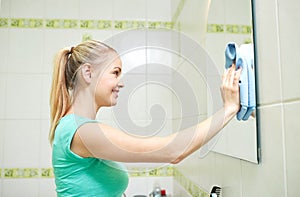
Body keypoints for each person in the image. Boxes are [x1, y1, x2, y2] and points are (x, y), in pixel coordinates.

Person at [49, 40, 242, 197]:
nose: (121, 82)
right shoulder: (82, 131)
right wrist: (228, 109)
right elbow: (173, 151)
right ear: (88, 73)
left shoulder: (78, 127)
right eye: (115, 72)